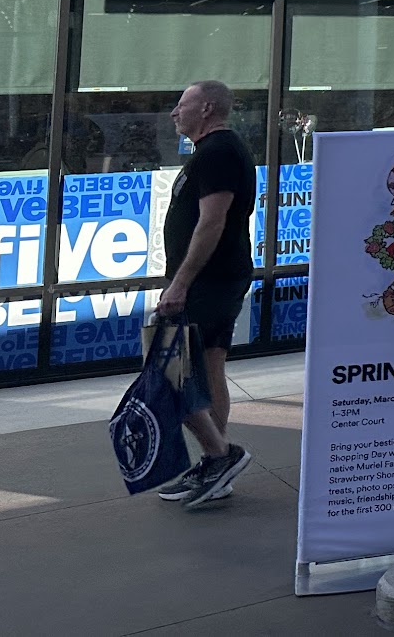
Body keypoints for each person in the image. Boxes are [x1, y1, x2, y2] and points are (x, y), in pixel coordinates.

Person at [152, 79, 255, 509]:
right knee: (209, 366)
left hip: (208, 281)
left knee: (168, 368)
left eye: (183, 104)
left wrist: (181, 282)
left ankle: (220, 454)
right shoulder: (214, 151)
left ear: (207, 108)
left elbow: (212, 222)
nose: (175, 113)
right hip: (215, 278)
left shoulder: (217, 152)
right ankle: (217, 466)